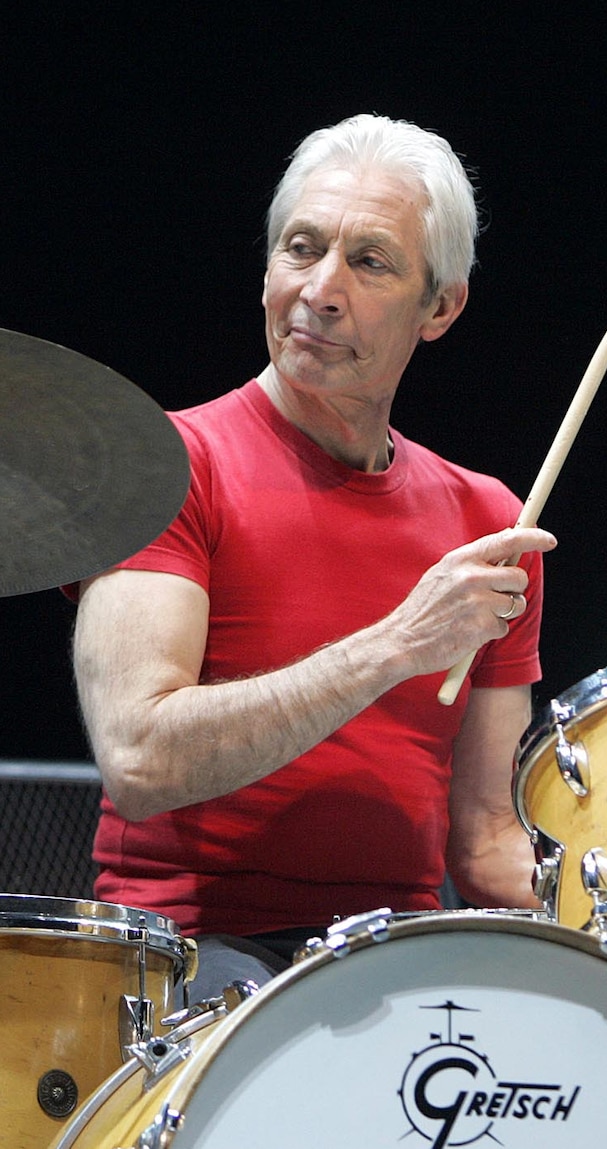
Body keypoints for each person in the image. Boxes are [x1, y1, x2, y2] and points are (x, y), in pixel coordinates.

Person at [70, 113, 557, 1001]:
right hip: (190, 952)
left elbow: (487, 840)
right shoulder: (170, 469)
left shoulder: (487, 520)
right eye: (302, 248)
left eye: (369, 262)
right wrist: (393, 645)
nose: (320, 289)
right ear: (266, 271)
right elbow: (140, 760)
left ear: (440, 306)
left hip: (397, 956)